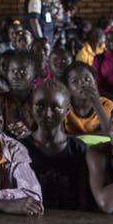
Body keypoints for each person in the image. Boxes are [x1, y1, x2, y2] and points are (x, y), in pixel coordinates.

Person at [23, 80, 88, 210]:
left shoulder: (78, 150)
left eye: (55, 108)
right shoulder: (20, 148)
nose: (47, 114)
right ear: (31, 107)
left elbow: (83, 198)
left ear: (67, 110)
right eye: (39, 106)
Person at [63, 61, 113, 138]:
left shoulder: (106, 104)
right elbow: (60, 136)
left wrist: (97, 103)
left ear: (95, 83)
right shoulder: (64, 106)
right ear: (68, 88)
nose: (82, 83)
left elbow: (108, 134)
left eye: (87, 79)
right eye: (75, 82)